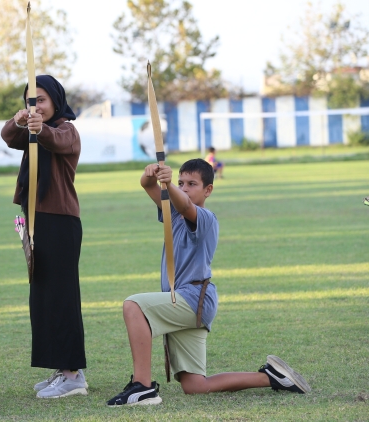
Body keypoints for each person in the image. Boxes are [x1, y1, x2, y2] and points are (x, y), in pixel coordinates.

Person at [107, 159, 310, 407]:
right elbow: (147, 185)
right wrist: (151, 175)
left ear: (208, 190)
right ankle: (273, 378)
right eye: (181, 183)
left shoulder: (205, 218)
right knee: (195, 386)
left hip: (193, 299)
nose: (184, 188)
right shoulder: (173, 213)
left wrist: (169, 184)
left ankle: (143, 387)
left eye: (192, 184)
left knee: (133, 306)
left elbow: (184, 205)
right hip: (186, 301)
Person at [1, 75, 87, 398]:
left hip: (61, 223)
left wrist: (39, 127)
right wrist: (19, 120)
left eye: (41, 100)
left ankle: (73, 375)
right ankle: (60, 368)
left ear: (55, 100)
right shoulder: (32, 131)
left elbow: (57, 141)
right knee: (43, 299)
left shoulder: (66, 129)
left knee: (62, 298)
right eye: (29, 101)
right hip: (35, 220)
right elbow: (8, 136)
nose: (34, 106)